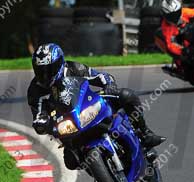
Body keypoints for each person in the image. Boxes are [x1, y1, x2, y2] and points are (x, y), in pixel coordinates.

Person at [27, 43, 165, 166]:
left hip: (86, 106)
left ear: (60, 63)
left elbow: (99, 76)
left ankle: (144, 133)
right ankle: (97, 169)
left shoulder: (74, 68)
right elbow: (38, 114)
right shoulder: (35, 90)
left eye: (49, 69)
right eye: (41, 71)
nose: (45, 75)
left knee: (127, 95)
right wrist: (41, 123)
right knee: (71, 161)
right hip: (66, 125)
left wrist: (109, 84)